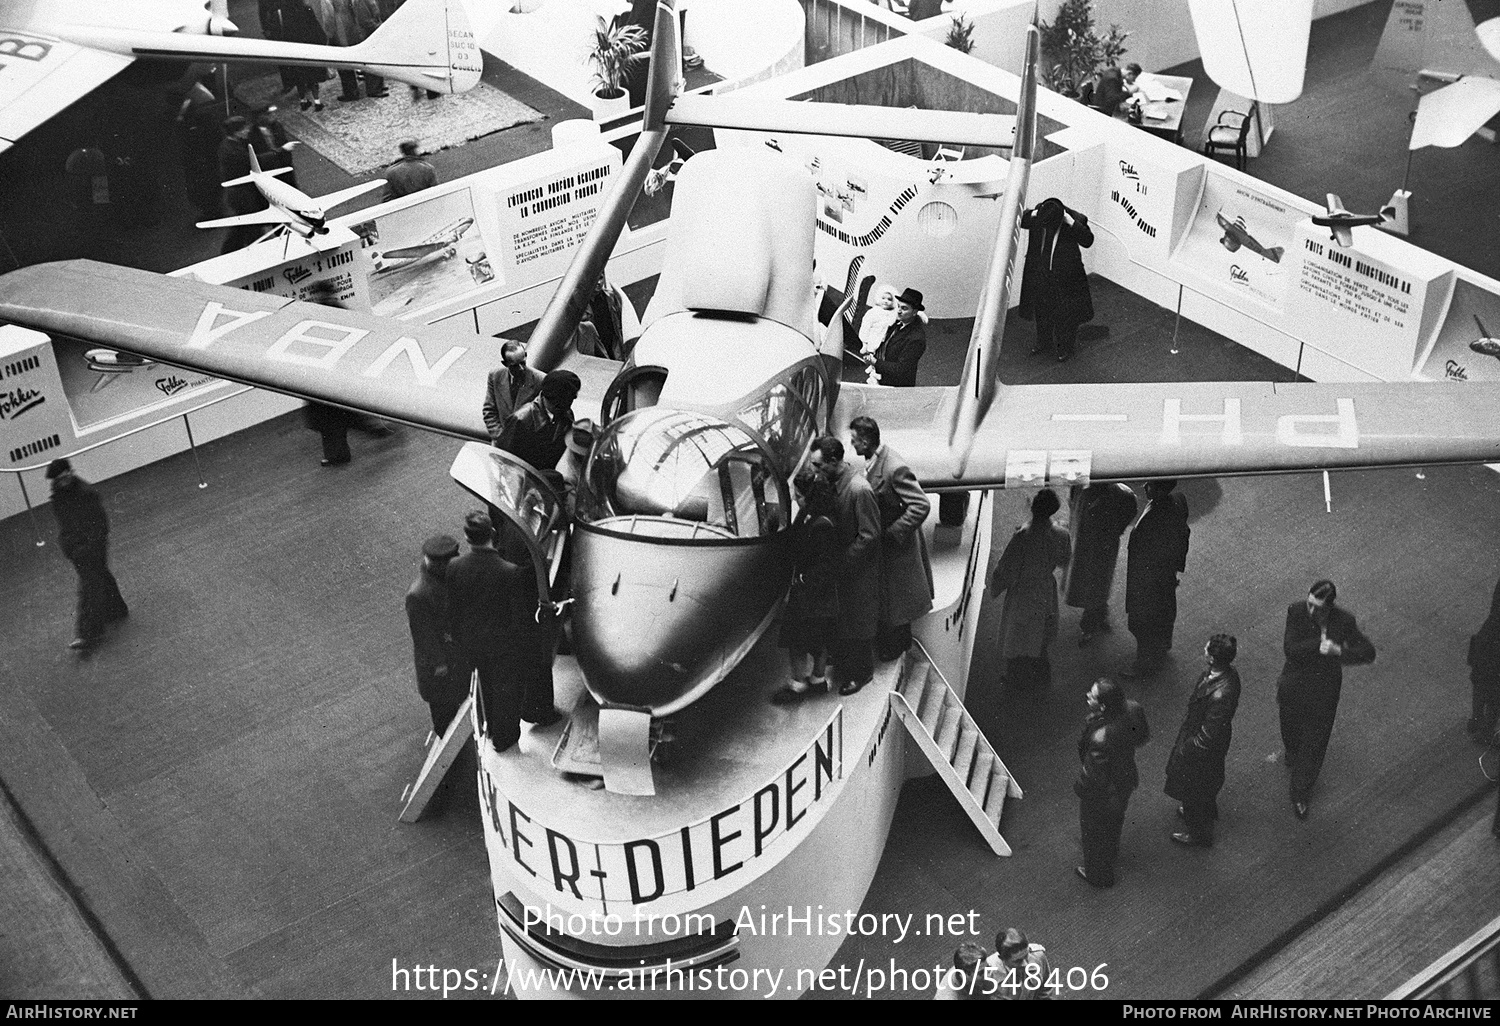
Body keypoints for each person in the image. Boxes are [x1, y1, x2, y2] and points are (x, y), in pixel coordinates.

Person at [1277, 580, 1376, 820]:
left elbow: (1368, 652)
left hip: (1324, 689)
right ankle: (1293, 753)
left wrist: (1339, 651)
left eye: (1318, 607)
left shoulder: (1344, 621)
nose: (1311, 611)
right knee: (1290, 727)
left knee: (1315, 739)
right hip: (1295, 683)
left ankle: (1300, 790)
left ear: (1330, 607)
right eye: (1310, 604)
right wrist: (1319, 646)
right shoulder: (1296, 611)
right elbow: (1290, 649)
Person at [850, 417, 932, 661]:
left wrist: (893, 533)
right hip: (888, 545)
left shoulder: (894, 468)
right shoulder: (876, 461)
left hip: (897, 547)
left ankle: (896, 646)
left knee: (898, 600)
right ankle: (893, 642)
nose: (852, 445)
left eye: (854, 440)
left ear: (865, 441)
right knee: (892, 599)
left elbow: (920, 505)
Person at [446, 512, 525, 754]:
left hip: (472, 642)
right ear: (492, 534)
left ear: (467, 538)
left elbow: (454, 607)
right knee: (505, 690)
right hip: (502, 644)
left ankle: (488, 727)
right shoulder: (509, 571)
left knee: (484, 685)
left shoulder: (455, 566)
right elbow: (516, 616)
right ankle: (504, 737)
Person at [810, 436, 881, 696]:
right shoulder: (833, 483)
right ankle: (844, 664)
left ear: (833, 461)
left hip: (857, 570)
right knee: (844, 620)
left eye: (819, 466)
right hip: (842, 568)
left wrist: (843, 562)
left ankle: (861, 674)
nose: (816, 471)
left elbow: (870, 535)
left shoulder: (859, 489)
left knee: (857, 623)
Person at [1164, 633, 1242, 847]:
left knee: (1195, 788)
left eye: (1206, 649)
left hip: (1200, 749)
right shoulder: (1225, 676)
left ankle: (1199, 834)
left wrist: (1187, 748)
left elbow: (1208, 736)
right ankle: (1201, 812)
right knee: (1202, 786)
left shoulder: (1220, 693)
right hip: (1203, 741)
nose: (1204, 650)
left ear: (1211, 658)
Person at [989, 489, 1071, 688]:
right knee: (1040, 635)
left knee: (1017, 635)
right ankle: (1042, 677)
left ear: (1034, 507)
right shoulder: (1062, 533)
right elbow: (1064, 559)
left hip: (1023, 591)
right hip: (1045, 589)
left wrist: (996, 585)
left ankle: (1015, 679)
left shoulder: (1023, 535)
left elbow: (1006, 566)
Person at [46, 459, 128, 654]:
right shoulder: (61, 498)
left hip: (90, 546)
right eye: (59, 478)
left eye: (64, 476)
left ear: (70, 473)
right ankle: (117, 610)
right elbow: (66, 526)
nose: (62, 480)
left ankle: (88, 633)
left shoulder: (85, 494)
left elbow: (99, 525)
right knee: (100, 576)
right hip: (80, 548)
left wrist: (85, 548)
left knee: (89, 586)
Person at [1075, 677, 1150, 888]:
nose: (1088, 697)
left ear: (1103, 705)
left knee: (1094, 831)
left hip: (1103, 792)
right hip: (1124, 780)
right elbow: (1142, 736)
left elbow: (1092, 775)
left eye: (1092, 696)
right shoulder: (1133, 709)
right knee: (1113, 823)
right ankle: (1111, 851)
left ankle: (1098, 875)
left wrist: (1082, 790)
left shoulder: (1101, 736)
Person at [774, 468, 840, 704]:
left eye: (798, 495)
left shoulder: (819, 524)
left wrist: (802, 581)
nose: (795, 499)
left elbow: (823, 564)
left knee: (796, 641)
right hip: (821, 597)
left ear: (808, 497)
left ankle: (798, 684)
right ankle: (818, 679)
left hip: (809, 594)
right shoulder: (823, 517)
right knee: (819, 640)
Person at [1123, 479, 1190, 678]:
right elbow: (1184, 534)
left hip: (1148, 578)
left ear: (1160, 491)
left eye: (1150, 485)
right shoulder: (1178, 500)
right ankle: (1161, 646)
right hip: (1163, 575)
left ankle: (1145, 664)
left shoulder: (1158, 516)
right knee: (1163, 613)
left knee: (1142, 621)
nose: (1144, 487)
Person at [1018, 196, 1095, 363]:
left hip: (1065, 277)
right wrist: (1034, 214)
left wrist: (1070, 222)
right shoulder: (1042, 213)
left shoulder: (1075, 219)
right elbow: (1021, 221)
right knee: (1041, 310)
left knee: (1065, 315)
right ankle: (1043, 342)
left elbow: (1088, 240)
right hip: (1041, 273)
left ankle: (1064, 347)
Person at [405, 535, 467, 736]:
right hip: (440, 669)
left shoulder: (443, 578)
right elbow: (423, 636)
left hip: (455, 659)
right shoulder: (419, 594)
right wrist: (440, 664)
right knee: (444, 715)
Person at [1065, 481, 1138, 645]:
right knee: (1095, 580)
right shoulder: (1085, 488)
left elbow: (1130, 510)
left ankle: (1090, 623)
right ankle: (1097, 612)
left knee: (1096, 580)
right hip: (1089, 542)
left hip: (1100, 544)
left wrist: (1117, 530)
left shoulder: (1118, 494)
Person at [497, 369, 580, 472]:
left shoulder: (566, 415)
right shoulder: (521, 420)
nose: (568, 406)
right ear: (555, 402)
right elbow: (502, 459)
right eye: (567, 402)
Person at [482, 341, 545, 446]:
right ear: (505, 364)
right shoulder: (495, 375)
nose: (521, 368)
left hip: (527, 446)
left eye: (523, 362)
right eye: (515, 365)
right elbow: (489, 410)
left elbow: (542, 418)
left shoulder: (540, 380)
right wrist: (501, 437)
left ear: (525, 356)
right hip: (501, 443)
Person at [864, 288, 927, 387]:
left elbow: (901, 370)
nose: (899, 311)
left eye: (904, 308)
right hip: (883, 376)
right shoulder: (898, 323)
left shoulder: (916, 339)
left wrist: (875, 362)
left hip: (897, 386)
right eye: (898, 306)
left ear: (914, 312)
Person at [329, 0, 387, 100]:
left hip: (342, 32)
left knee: (345, 65)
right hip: (350, 31)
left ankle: (353, 93)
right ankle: (372, 88)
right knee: (357, 62)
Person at [1467, 575, 1500, 742]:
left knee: (1480, 681)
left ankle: (1478, 719)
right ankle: (1484, 726)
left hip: (1490, 637)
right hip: (1492, 637)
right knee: (1493, 690)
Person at [984, 927, 1058, 1000]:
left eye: (1026, 956)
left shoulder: (1038, 957)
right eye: (1018, 961)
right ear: (1002, 958)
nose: (1025, 964)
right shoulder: (987, 973)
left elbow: (1045, 991)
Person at [857, 284, 898, 383]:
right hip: (873, 340)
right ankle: (873, 374)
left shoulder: (893, 312)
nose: (886, 301)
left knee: (880, 358)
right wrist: (864, 342)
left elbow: (898, 314)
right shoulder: (873, 312)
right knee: (872, 358)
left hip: (884, 341)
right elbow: (865, 327)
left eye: (889, 299)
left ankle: (875, 371)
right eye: (883, 298)